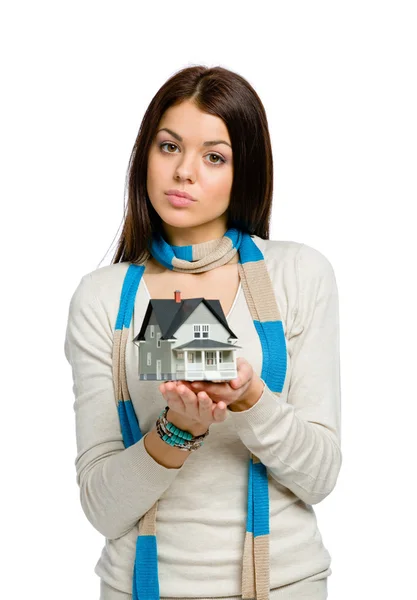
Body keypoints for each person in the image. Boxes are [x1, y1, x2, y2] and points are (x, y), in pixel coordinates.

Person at [64, 65, 342, 600]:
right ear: (145, 154)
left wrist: (251, 398)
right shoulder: (101, 297)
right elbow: (102, 507)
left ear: (245, 172)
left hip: (285, 584)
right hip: (139, 586)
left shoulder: (300, 275)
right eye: (169, 147)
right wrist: (177, 431)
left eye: (214, 156)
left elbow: (321, 475)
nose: (184, 171)